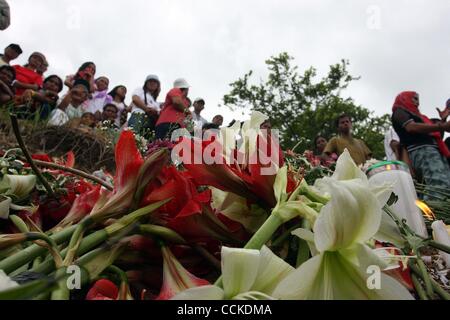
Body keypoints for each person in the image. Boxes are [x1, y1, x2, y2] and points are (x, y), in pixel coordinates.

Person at [391, 91, 450, 199]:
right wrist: (442, 126)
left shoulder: (420, 117)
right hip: (422, 151)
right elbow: (411, 127)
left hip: (433, 150)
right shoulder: (399, 111)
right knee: (438, 185)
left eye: (418, 99)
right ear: (404, 98)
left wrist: (442, 121)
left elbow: (435, 133)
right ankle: (433, 213)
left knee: (444, 183)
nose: (417, 103)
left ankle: (435, 211)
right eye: (414, 98)